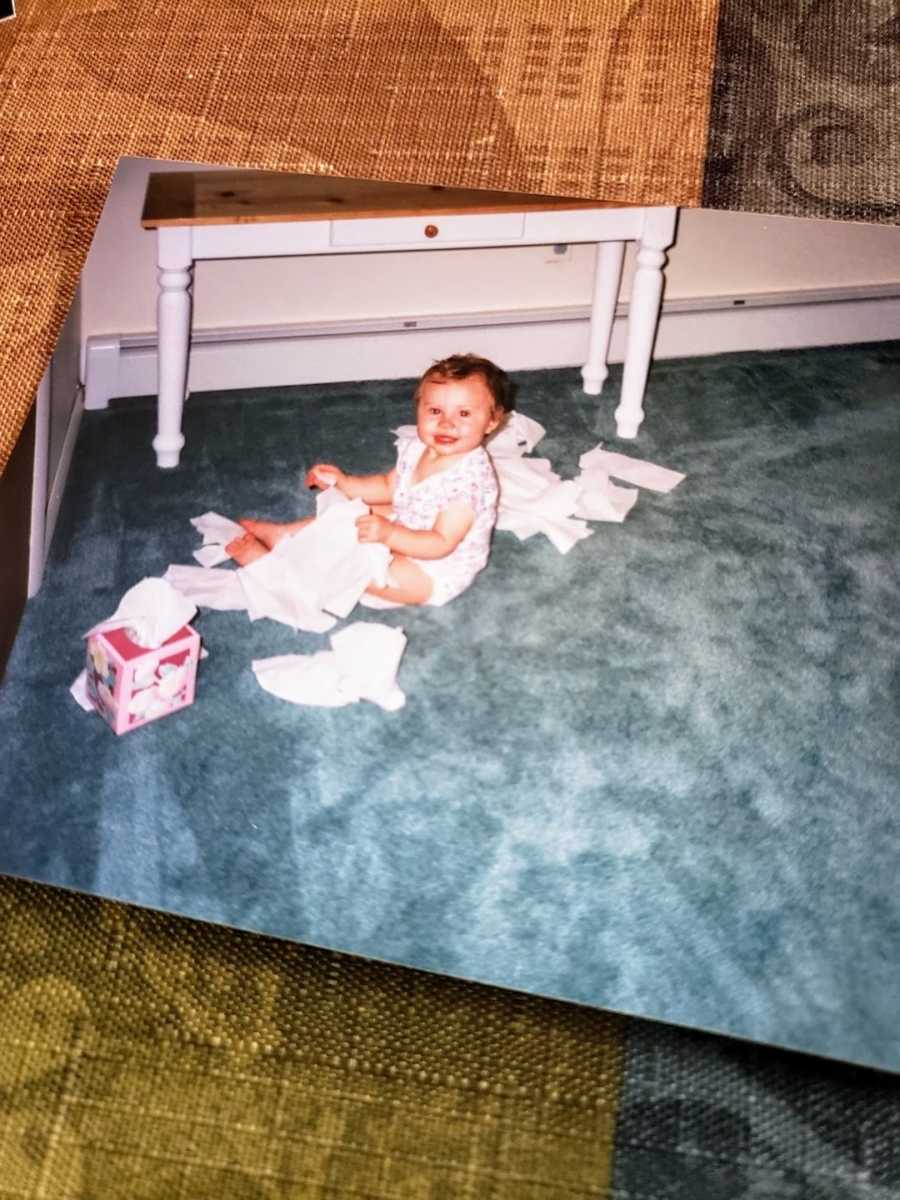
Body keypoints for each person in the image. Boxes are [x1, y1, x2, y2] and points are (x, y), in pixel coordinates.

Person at [225, 354, 512, 607]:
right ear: (419, 409)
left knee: (365, 572)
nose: (446, 423)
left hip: (435, 568)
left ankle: (280, 572)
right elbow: (389, 487)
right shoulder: (418, 448)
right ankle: (287, 534)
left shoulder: (468, 485)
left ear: (491, 422)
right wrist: (344, 483)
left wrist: (389, 535)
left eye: (464, 414)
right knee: (349, 515)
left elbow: (441, 543)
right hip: (406, 520)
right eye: (435, 411)